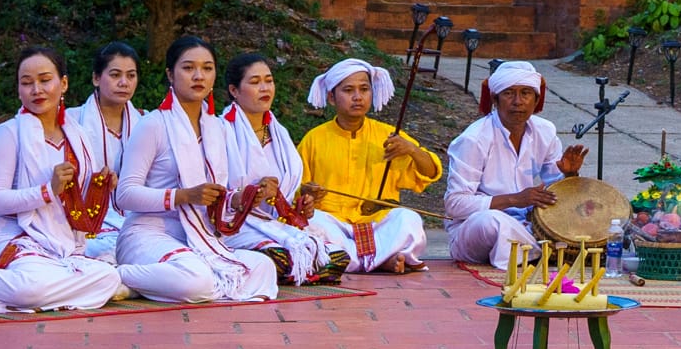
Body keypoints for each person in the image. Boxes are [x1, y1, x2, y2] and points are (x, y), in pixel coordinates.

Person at [113, 36, 280, 305]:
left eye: (207, 68)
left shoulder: (218, 128)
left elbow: (218, 196)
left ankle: (146, 284)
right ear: (170, 74)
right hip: (149, 235)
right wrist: (183, 196)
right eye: (188, 68)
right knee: (196, 279)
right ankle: (116, 275)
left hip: (198, 237)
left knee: (263, 268)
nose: (198, 76)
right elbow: (125, 195)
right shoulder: (153, 125)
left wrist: (238, 199)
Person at [0, 45, 126, 315]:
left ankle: (50, 290)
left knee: (108, 278)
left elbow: (78, 201)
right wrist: (46, 190)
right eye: (26, 83)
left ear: (63, 83)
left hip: (62, 243)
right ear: (18, 89)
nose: (36, 90)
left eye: (44, 80)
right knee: (31, 287)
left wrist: (101, 185)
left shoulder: (78, 134)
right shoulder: (8, 133)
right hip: (16, 238)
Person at [297, 56, 442, 274]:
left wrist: (412, 150)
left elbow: (430, 172)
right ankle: (381, 260)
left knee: (408, 220)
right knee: (311, 223)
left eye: (364, 89)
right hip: (334, 226)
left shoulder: (388, 135)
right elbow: (296, 191)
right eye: (348, 90)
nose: (357, 97)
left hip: (378, 225)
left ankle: (348, 261)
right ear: (332, 97)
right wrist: (308, 194)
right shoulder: (314, 139)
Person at [216, 54, 347, 283]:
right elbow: (215, 191)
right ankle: (281, 269)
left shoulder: (279, 133)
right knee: (281, 256)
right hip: (234, 225)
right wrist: (252, 193)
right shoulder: (220, 131)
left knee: (337, 257)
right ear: (234, 91)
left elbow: (285, 197)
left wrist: (300, 204)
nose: (264, 88)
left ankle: (289, 271)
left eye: (269, 80)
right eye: (255, 82)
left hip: (274, 224)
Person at [444, 61, 584, 269]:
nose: (518, 101)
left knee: (587, 215)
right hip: (473, 231)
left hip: (527, 226)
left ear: (536, 100)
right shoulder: (474, 139)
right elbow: (454, 205)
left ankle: (538, 250)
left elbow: (557, 194)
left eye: (526, 93)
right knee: (494, 222)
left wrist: (570, 175)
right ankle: (548, 251)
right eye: (509, 93)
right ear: (495, 99)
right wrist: (515, 200)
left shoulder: (545, 131)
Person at [66, 42, 145, 263]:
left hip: (131, 217)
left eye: (131, 75)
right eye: (115, 75)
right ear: (96, 78)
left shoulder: (146, 123)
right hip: (85, 219)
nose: (124, 83)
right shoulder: (71, 122)